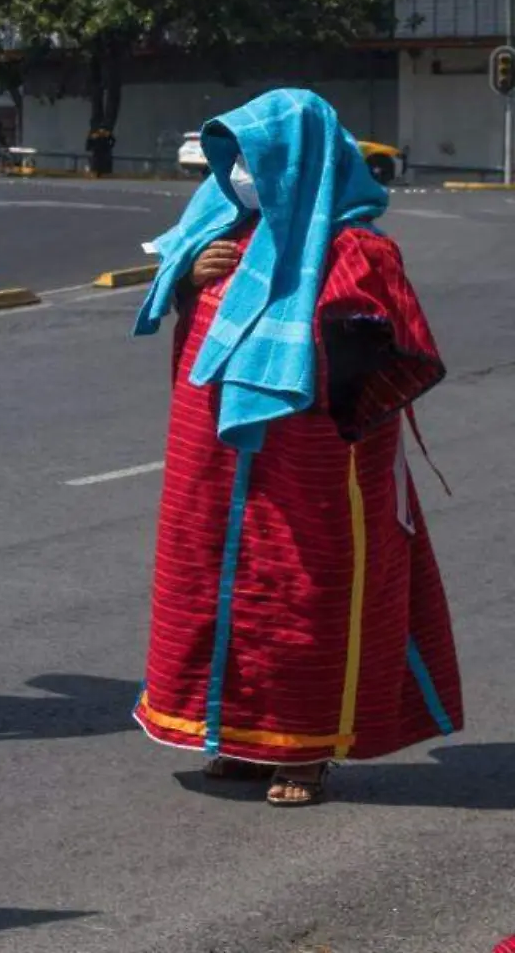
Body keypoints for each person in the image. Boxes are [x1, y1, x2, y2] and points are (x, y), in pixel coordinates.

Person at [131, 89, 462, 807]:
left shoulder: (354, 248)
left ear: (298, 160)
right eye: (238, 158)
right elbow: (177, 312)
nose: (242, 171)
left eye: (256, 157)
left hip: (313, 467)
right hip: (216, 465)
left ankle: (306, 750)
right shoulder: (224, 230)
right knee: (221, 592)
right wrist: (189, 277)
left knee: (304, 596)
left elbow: (386, 346)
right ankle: (241, 739)